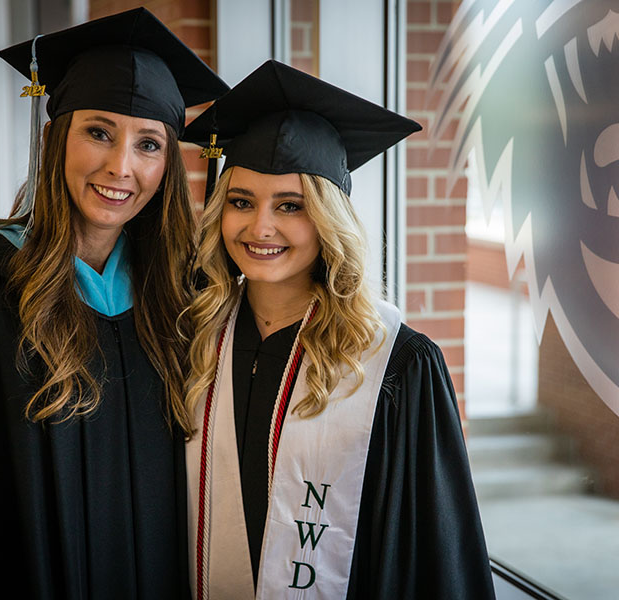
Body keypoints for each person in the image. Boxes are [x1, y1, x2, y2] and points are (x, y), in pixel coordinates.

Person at [0, 9, 228, 599]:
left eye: (149, 144)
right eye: (99, 132)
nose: (121, 167)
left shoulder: (181, 302)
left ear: (167, 164)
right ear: (53, 136)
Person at [182, 61, 494, 599]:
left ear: (328, 220)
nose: (260, 227)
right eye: (241, 202)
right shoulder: (195, 338)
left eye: (291, 206)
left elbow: (438, 552)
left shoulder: (396, 365)